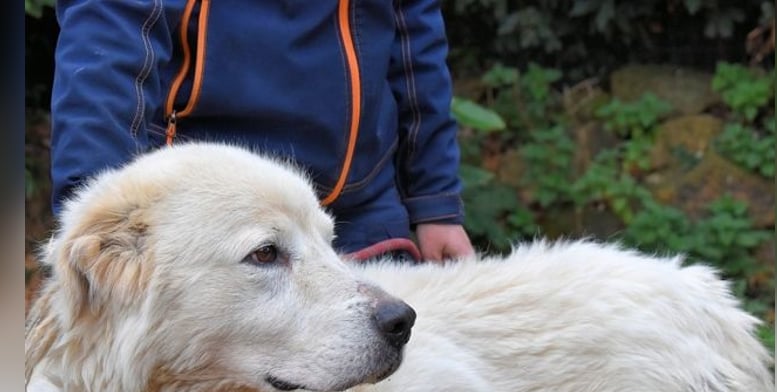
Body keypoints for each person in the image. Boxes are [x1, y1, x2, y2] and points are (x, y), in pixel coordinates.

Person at [50, 0, 474, 262]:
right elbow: (106, 38)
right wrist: (95, 220)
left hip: (364, 215)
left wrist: (434, 203)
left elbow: (414, 36)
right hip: (209, 231)